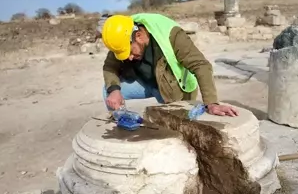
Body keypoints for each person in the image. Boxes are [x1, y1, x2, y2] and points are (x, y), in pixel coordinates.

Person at [99, 13, 238, 117]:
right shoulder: (121, 36)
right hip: (146, 83)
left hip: (172, 89)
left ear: (139, 36)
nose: (128, 58)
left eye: (129, 51)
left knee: (178, 130)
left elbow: (201, 65)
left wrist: (212, 103)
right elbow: (110, 66)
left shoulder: (171, 34)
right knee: (109, 90)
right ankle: (119, 121)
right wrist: (115, 91)